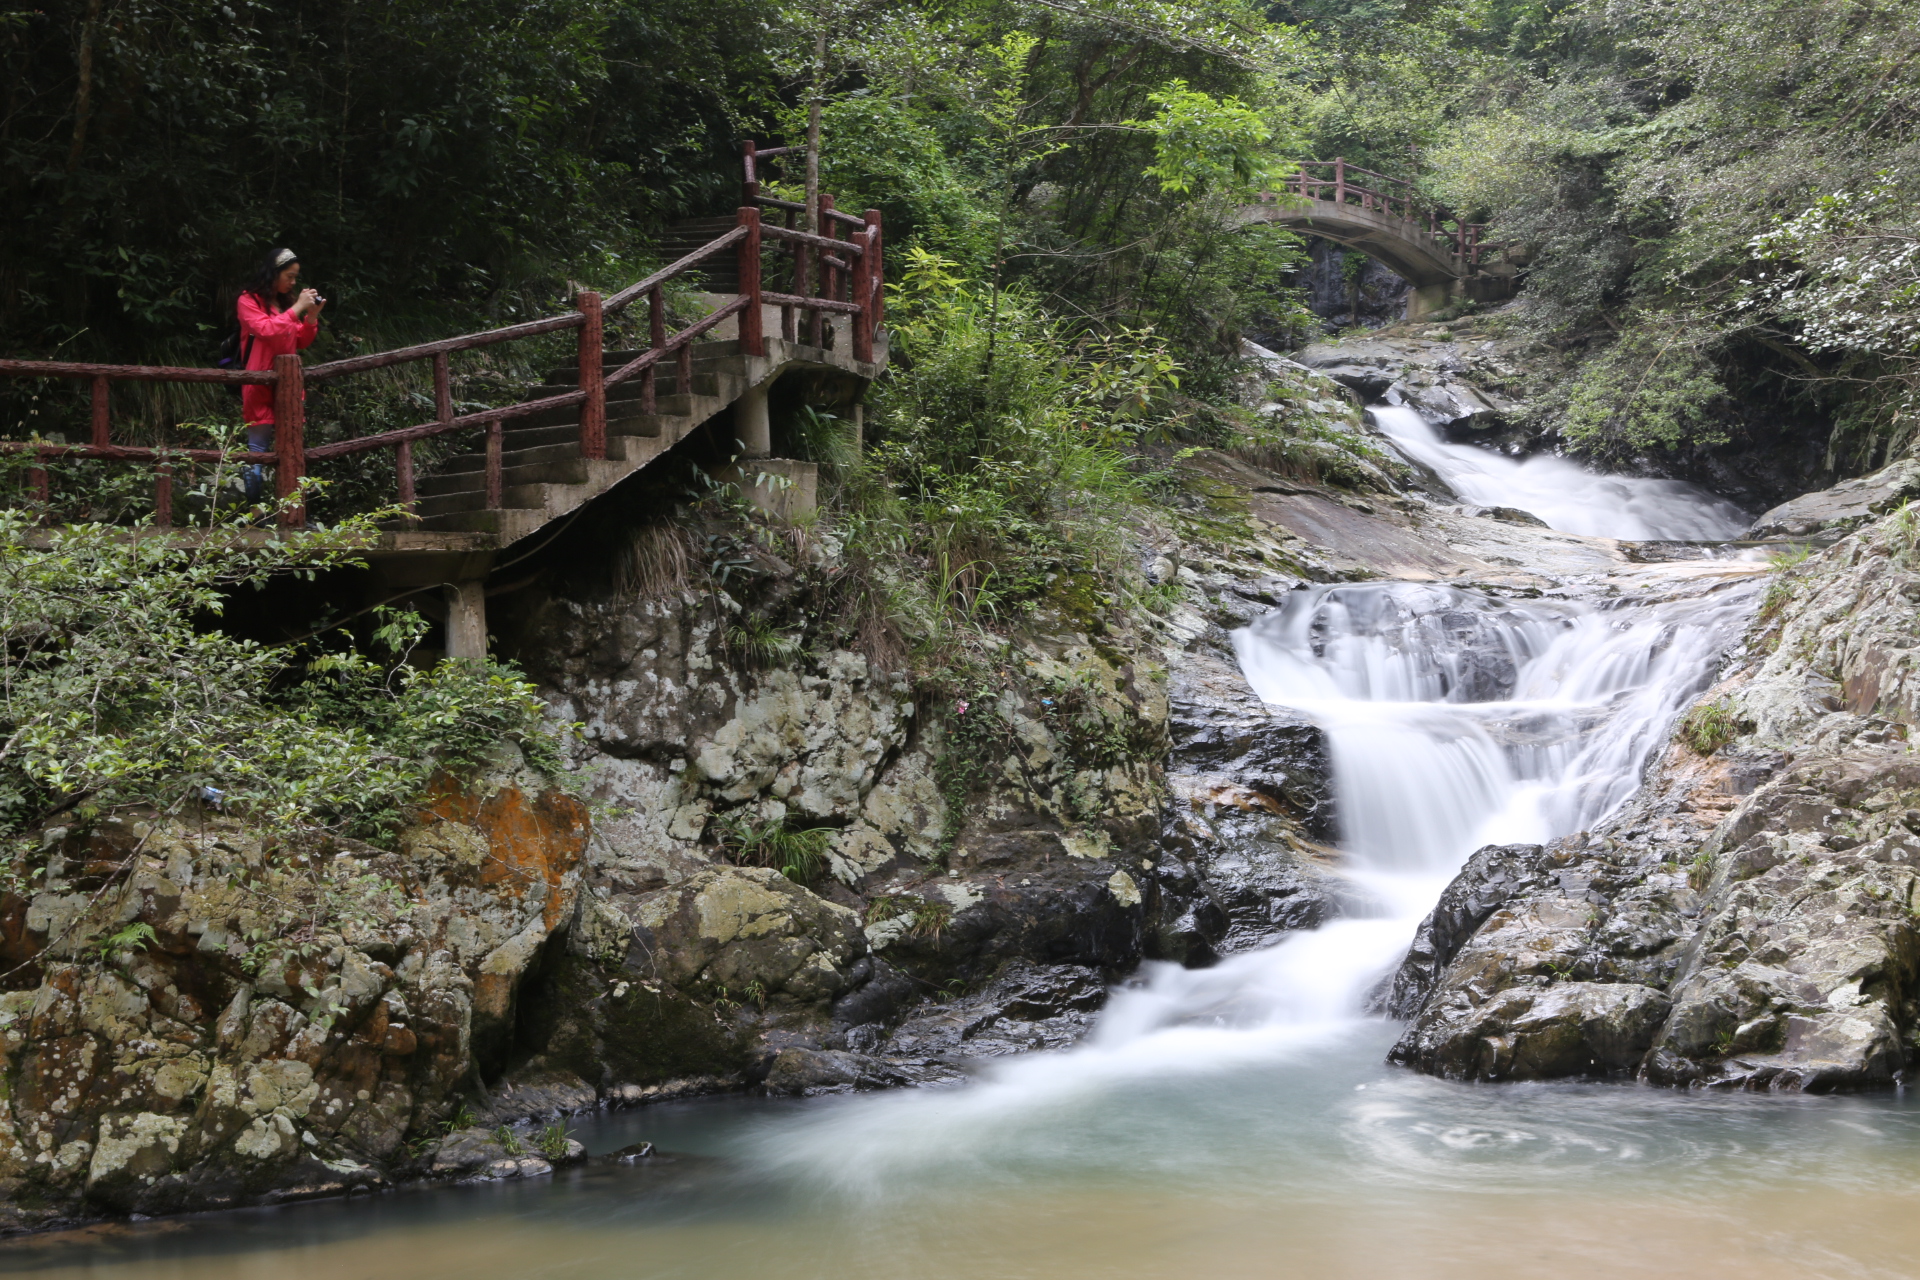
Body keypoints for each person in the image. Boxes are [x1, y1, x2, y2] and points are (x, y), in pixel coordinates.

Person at [236, 248, 324, 500]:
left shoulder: (284, 304)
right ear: (274, 274)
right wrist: (297, 307)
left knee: (292, 448)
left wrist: (311, 317)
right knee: (258, 449)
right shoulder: (248, 300)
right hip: (259, 381)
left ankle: (293, 511)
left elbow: (300, 340)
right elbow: (266, 330)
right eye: (289, 276)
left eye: (296, 277)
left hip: (288, 384)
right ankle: (255, 512)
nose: (293, 282)